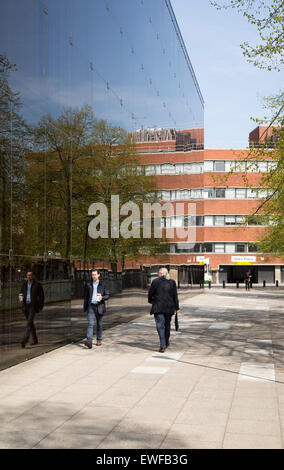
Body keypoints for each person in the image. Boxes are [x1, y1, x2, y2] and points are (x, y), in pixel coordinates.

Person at [148, 267, 180, 353]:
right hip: (169, 308)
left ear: (161, 274)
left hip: (158, 307)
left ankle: (163, 345)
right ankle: (166, 342)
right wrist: (177, 307)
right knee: (167, 325)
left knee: (160, 326)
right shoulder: (172, 282)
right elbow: (175, 296)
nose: (158, 274)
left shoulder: (155, 281)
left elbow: (150, 293)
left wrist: (151, 301)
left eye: (158, 273)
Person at [83, 269, 109, 349]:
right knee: (90, 324)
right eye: (92, 275)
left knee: (99, 324)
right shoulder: (88, 285)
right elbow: (86, 296)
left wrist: (102, 297)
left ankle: (99, 339)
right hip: (91, 306)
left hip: (99, 306)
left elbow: (107, 295)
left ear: (98, 275)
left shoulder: (103, 284)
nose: (93, 276)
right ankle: (89, 341)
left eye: (95, 274)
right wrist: (85, 306)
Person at [19, 270, 44, 348]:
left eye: (30, 275)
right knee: (31, 323)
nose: (29, 276)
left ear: (33, 276)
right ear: (26, 276)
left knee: (29, 322)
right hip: (25, 306)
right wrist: (21, 301)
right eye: (28, 275)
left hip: (33, 306)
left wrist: (40, 306)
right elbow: (21, 293)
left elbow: (41, 296)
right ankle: (35, 339)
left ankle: (25, 339)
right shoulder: (24, 284)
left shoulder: (37, 285)